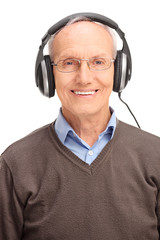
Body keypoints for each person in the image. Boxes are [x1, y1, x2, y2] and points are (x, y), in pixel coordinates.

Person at [0, 12, 160, 240]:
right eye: (69, 63)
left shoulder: (156, 156)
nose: (84, 78)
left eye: (98, 62)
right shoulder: (15, 164)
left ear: (119, 72)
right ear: (48, 75)